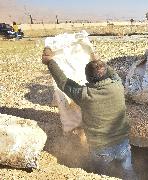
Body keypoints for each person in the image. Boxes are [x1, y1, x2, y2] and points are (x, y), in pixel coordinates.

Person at [42, 47, 137, 179]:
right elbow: (112, 73)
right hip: (122, 145)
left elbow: (63, 82)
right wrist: (98, 61)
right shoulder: (118, 85)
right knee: (128, 172)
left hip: (100, 150)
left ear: (87, 78)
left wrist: (50, 62)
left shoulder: (84, 94)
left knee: (100, 175)